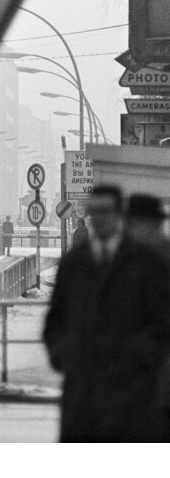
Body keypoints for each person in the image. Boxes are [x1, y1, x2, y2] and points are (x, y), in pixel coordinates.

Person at [43, 185, 170, 442]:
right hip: (81, 396)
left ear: (119, 214)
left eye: (105, 211)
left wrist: (137, 359)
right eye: (94, 211)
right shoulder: (73, 263)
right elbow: (55, 320)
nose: (99, 218)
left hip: (132, 393)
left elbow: (162, 323)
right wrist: (64, 355)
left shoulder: (147, 263)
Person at [125, 193, 170, 260]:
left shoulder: (164, 252)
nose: (128, 228)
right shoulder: (126, 252)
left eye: (137, 222)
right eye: (129, 223)